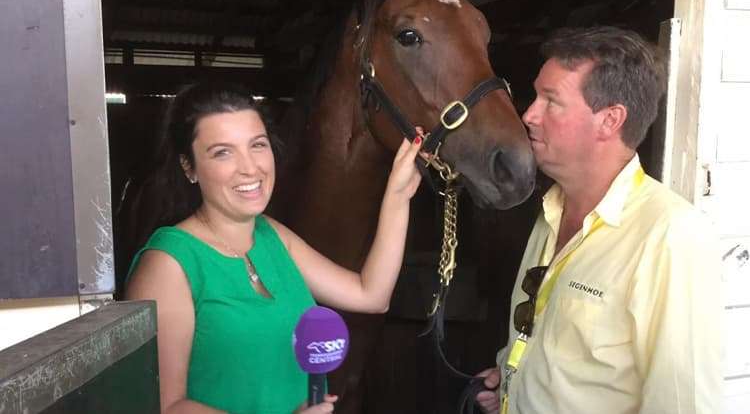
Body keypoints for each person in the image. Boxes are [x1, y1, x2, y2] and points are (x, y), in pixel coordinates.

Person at [125, 82, 424, 414]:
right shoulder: (168, 264)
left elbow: (371, 294)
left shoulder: (272, 236)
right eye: (223, 152)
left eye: (257, 145)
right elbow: (164, 407)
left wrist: (398, 195)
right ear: (189, 167)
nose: (250, 167)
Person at [475, 26, 722, 414]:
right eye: (536, 96)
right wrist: (514, 381)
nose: (529, 114)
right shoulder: (549, 213)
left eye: (551, 101)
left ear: (610, 120)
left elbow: (682, 405)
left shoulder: (671, 236)